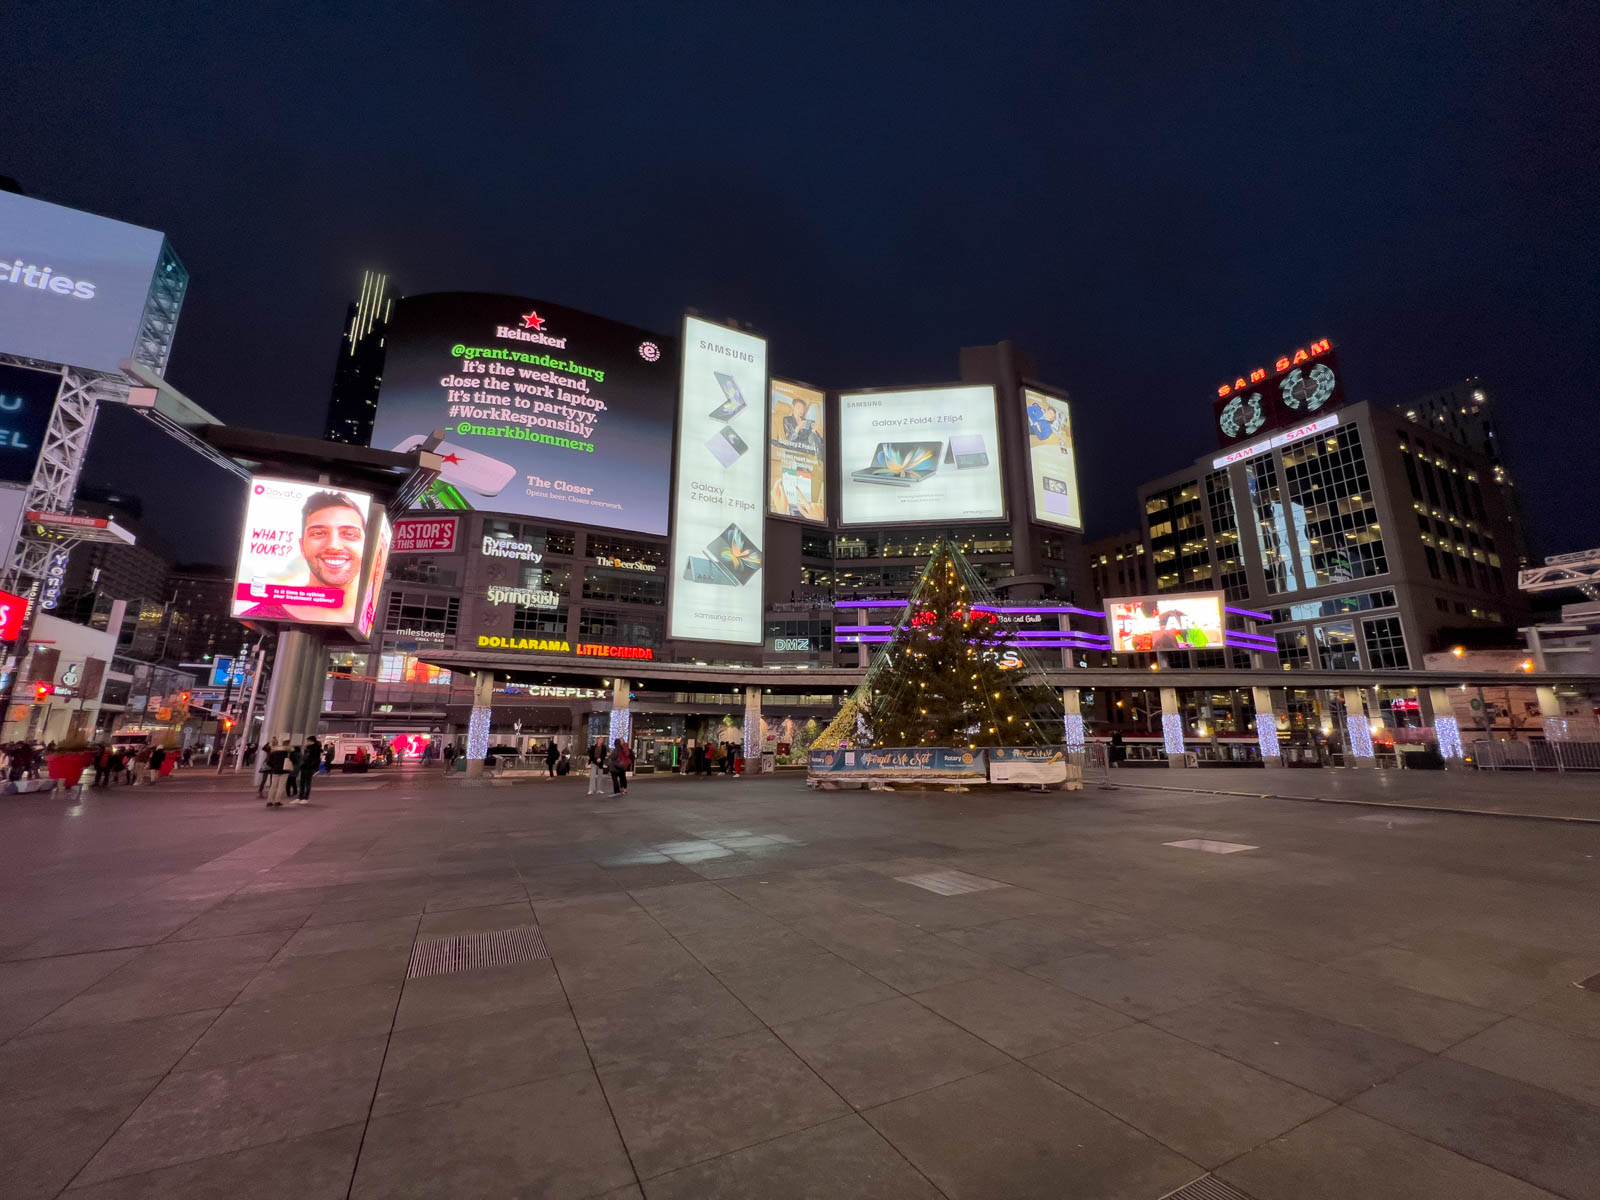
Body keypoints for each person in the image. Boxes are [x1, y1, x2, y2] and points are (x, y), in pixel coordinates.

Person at [236, 490, 368, 624]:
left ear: (367, 546)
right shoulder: (258, 616)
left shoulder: (368, 620)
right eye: (319, 533)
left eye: (349, 534)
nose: (334, 546)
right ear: (302, 546)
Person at [263, 739, 290, 807]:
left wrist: (274, 766)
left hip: (275, 770)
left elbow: (268, 762)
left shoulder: (273, 753)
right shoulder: (287, 753)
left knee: (273, 786)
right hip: (285, 770)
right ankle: (277, 801)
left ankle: (269, 801)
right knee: (280, 787)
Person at [295, 737, 320, 805]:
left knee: (307, 783)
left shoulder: (316, 749)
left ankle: (306, 798)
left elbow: (316, 759)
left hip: (309, 767)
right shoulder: (307, 748)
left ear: (312, 741)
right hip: (304, 767)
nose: (307, 742)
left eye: (308, 741)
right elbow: (304, 757)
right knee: (302, 782)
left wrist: (312, 766)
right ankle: (300, 797)